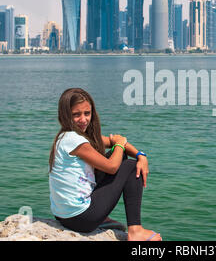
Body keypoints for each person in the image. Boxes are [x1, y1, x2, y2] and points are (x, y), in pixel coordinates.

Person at [48, 88, 162, 241]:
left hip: (64, 215)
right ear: (65, 115)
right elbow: (112, 166)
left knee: (120, 156)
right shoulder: (75, 141)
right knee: (130, 166)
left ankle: (103, 217)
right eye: (76, 114)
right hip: (80, 219)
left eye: (87, 113)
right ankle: (136, 231)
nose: (83, 119)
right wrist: (121, 145)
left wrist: (141, 155)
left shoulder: (68, 136)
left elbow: (113, 142)